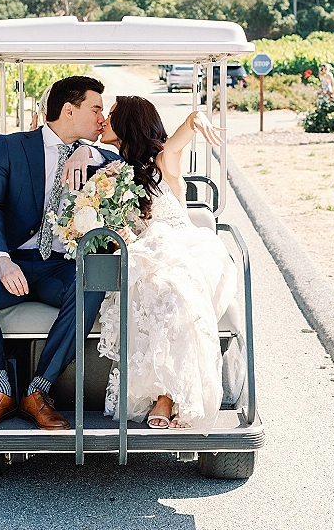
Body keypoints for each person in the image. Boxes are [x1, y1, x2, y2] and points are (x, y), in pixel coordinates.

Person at [0, 75, 121, 431]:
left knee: (91, 281)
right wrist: (1, 259)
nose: (101, 119)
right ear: (68, 110)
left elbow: (123, 162)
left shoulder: (96, 157)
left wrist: (86, 152)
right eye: (96, 109)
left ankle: (37, 392)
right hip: (11, 258)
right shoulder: (9, 147)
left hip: (59, 266)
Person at [96, 96, 237, 431]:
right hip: (144, 255)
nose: (104, 119)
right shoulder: (112, 173)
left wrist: (195, 119)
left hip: (185, 250)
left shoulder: (160, 163)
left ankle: (168, 396)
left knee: (171, 288)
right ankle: (164, 392)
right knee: (148, 283)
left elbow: (176, 145)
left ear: (128, 122)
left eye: (111, 114)